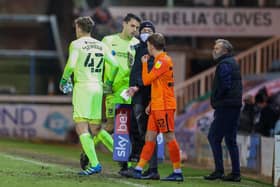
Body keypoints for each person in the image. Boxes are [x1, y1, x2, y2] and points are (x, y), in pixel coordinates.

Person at [59, 16, 118, 176]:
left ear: (79, 27)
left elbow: (71, 65)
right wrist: (109, 82)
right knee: (96, 128)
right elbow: (115, 64)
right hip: (98, 87)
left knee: (81, 126)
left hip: (83, 87)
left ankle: (95, 164)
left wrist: (64, 79)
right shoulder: (101, 45)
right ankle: (122, 156)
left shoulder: (76, 44)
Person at [126, 33, 184, 182]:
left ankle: (177, 172)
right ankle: (139, 169)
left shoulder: (162, 61)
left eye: (148, 46)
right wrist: (152, 103)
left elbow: (146, 80)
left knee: (169, 137)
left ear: (151, 45)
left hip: (164, 106)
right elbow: (160, 85)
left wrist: (144, 63)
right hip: (157, 105)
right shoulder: (160, 60)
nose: (147, 49)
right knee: (149, 137)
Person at [92, 13, 141, 172]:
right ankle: (89, 151)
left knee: (125, 127)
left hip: (129, 92)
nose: (135, 30)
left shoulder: (137, 44)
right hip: (112, 90)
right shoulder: (108, 40)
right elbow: (98, 62)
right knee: (112, 126)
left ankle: (124, 161)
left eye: (137, 27)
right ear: (124, 24)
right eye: (132, 26)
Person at [123, 20, 160, 180]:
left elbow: (147, 75)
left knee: (147, 133)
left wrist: (136, 87)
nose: (145, 32)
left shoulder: (152, 51)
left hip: (145, 96)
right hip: (138, 95)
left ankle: (150, 168)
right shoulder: (140, 48)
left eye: (149, 30)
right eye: (143, 29)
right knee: (138, 131)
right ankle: (142, 166)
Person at [204, 39, 242, 182]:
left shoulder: (225, 64)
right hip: (233, 105)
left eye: (217, 48)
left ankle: (219, 170)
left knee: (213, 136)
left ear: (225, 50)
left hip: (226, 106)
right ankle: (235, 173)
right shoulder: (232, 62)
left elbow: (225, 85)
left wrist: (216, 99)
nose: (214, 50)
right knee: (230, 140)